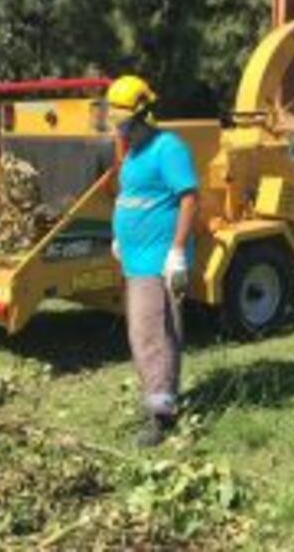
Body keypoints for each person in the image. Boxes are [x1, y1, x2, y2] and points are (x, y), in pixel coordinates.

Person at [108, 75, 199, 447]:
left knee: (153, 333)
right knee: (148, 332)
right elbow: (131, 193)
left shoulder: (168, 148)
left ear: (144, 113)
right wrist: (121, 235)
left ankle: (160, 415)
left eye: (123, 120)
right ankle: (158, 398)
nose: (118, 126)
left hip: (159, 259)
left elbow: (190, 198)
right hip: (136, 257)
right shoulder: (132, 150)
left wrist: (177, 252)